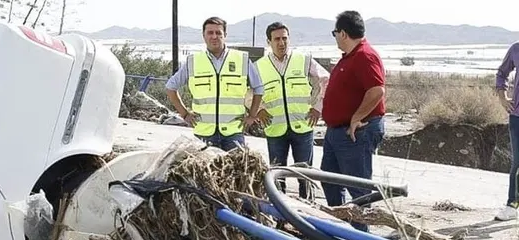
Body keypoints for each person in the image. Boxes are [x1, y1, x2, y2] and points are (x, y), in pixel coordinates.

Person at [319, 10, 386, 228]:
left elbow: (376, 90)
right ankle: (340, 229)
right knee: (330, 182)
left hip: (354, 133)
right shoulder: (350, 57)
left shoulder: (365, 55)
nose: (336, 37)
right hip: (336, 132)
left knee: (357, 190)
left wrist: (356, 117)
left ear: (343, 33)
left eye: (335, 33)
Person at [165, 17, 265, 152]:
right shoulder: (193, 61)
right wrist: (184, 114)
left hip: (233, 134)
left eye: (218, 33)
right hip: (203, 134)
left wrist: (252, 115)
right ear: (204, 36)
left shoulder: (242, 59)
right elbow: (171, 87)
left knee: (235, 172)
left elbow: (258, 88)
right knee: (205, 172)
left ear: (225, 35)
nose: (214, 36)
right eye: (210, 33)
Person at [255, 22, 330, 200]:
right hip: (275, 129)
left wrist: (317, 107)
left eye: (284, 38)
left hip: (302, 127)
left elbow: (326, 79)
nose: (281, 43)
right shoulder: (259, 66)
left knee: (305, 175)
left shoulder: (303, 60)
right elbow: (245, 89)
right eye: (277, 39)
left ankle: (307, 212)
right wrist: (258, 109)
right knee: (277, 176)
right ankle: (281, 216)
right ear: (269, 42)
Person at [494, 42, 519, 221]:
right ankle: (512, 205)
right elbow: (502, 73)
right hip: (517, 116)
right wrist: (502, 98)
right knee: (518, 162)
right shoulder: (516, 49)